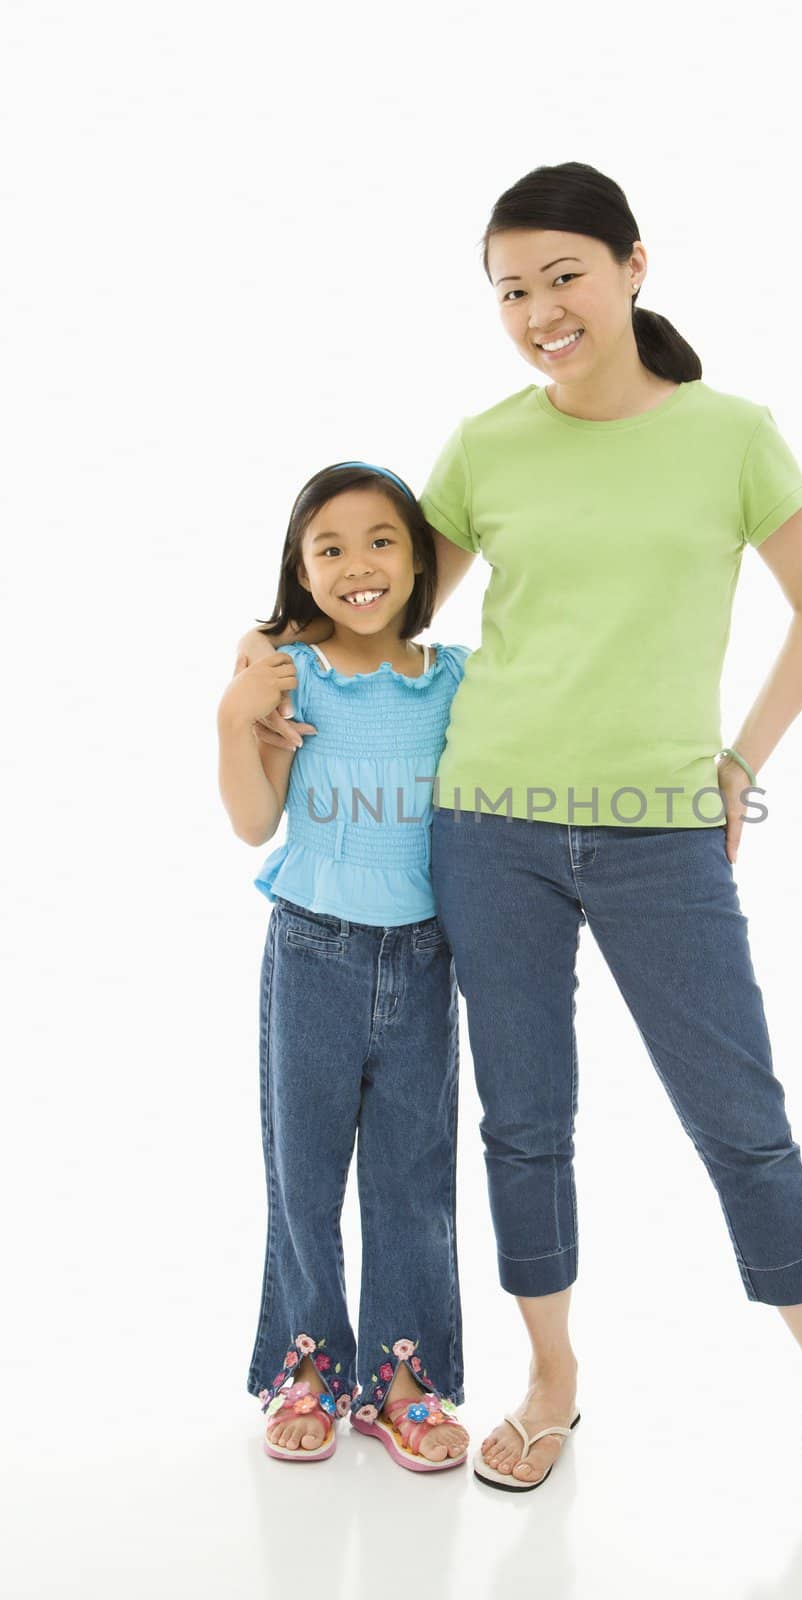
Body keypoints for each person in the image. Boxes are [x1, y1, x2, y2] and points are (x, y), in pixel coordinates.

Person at [239, 164, 802, 1520]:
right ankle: (548, 1384)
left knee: (740, 1120)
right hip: (484, 828)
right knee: (523, 1125)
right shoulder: (485, 444)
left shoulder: (731, 434)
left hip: (658, 835)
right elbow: (381, 613)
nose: (537, 310)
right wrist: (269, 654)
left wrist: (735, 766)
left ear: (632, 265)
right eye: (509, 289)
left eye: (560, 275)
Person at [218, 460, 471, 1472]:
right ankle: (310, 1368)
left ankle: (401, 1382)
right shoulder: (290, 677)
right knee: (304, 1175)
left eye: (381, 542)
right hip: (312, 952)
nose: (358, 565)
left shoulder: (455, 678)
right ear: (301, 567)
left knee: (414, 1181)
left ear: (418, 562)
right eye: (329, 547)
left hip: (423, 961)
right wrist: (235, 706)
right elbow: (249, 821)